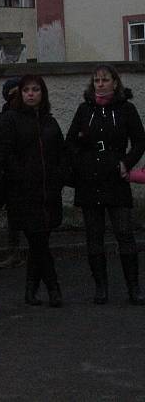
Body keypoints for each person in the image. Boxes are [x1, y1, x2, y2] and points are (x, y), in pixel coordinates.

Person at [66, 64, 145, 305]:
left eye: (105, 80)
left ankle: (134, 287)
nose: (100, 84)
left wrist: (126, 162)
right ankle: (101, 287)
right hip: (90, 181)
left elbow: (140, 141)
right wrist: (81, 164)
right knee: (94, 235)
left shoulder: (126, 109)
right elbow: (69, 143)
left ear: (115, 83)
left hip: (115, 179)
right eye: (96, 80)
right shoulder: (84, 110)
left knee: (124, 233)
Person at [0, 75, 66, 307]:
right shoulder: (10, 120)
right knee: (38, 241)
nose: (30, 94)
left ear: (42, 93)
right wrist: (21, 176)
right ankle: (54, 288)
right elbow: (6, 154)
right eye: (26, 90)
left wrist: (57, 177)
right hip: (24, 193)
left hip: (48, 192)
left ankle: (31, 290)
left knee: (40, 243)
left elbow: (59, 153)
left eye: (35, 89)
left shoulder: (50, 122)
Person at [0, 76, 25, 270]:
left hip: (31, 173)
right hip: (12, 175)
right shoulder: (4, 118)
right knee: (14, 216)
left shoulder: (36, 115)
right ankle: (14, 252)